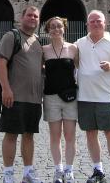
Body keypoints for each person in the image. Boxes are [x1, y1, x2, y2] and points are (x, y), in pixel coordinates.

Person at [76, 10, 110, 183]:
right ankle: (98, 169)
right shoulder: (80, 43)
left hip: (106, 96)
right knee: (90, 134)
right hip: (85, 97)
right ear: (87, 24)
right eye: (92, 21)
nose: (95, 23)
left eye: (99, 21)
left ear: (105, 23)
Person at [0, 6, 43, 183]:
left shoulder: (38, 41)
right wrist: (6, 89)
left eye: (36, 16)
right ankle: (8, 173)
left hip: (34, 98)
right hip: (14, 96)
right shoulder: (11, 36)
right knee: (11, 134)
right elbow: (1, 62)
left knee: (29, 135)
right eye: (29, 15)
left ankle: (28, 172)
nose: (32, 18)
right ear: (21, 18)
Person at [42, 16, 78, 183]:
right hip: (50, 97)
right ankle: (58, 169)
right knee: (54, 137)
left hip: (70, 97)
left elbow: (81, 70)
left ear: (64, 28)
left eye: (59, 26)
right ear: (48, 30)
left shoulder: (73, 49)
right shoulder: (43, 50)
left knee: (70, 136)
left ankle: (69, 170)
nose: (56, 29)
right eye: (52, 27)